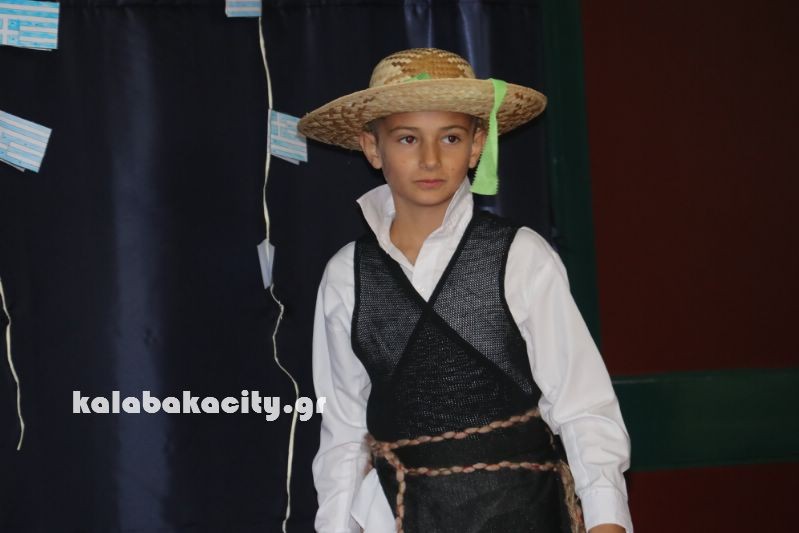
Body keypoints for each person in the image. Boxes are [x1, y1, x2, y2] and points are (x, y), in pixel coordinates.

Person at [298, 48, 633, 533]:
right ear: (372, 147)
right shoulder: (347, 276)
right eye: (407, 138)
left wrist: (606, 519)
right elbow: (344, 431)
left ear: (477, 146)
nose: (430, 158)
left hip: (524, 514)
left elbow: (583, 407)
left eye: (450, 137)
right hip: (401, 516)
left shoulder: (520, 256)